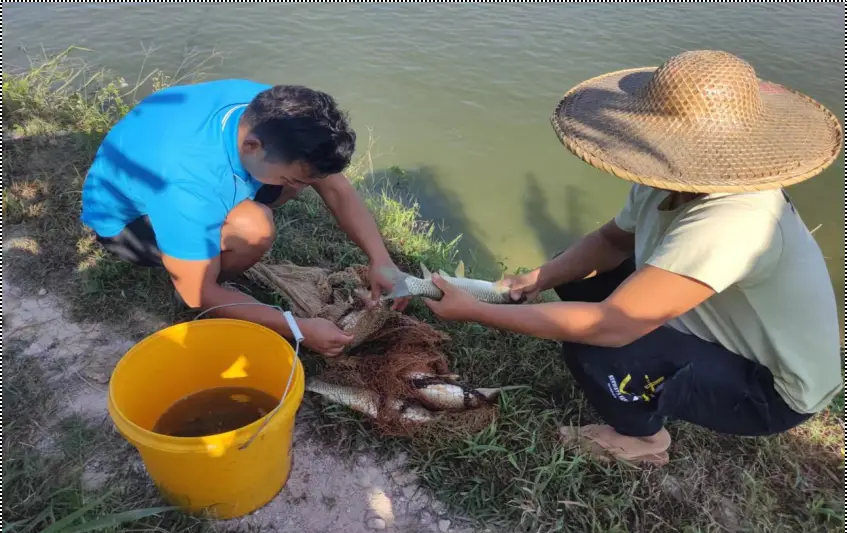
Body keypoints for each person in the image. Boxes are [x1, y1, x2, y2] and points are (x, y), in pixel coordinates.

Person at [422, 50, 843, 466]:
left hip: (772, 389)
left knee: (597, 349)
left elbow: (610, 326)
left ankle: (643, 441)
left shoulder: (737, 218)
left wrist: (476, 311)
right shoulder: (671, 176)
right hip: (725, 326)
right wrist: (536, 278)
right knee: (574, 277)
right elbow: (611, 241)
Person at [80, 79, 408, 358]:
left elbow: (335, 188)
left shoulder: (275, 111)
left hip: (182, 170)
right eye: (293, 180)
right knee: (255, 229)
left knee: (296, 183)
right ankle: (212, 277)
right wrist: (298, 329)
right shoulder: (187, 186)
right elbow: (198, 293)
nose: (299, 190)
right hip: (129, 221)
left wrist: (380, 259)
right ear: (251, 146)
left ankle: (216, 254)